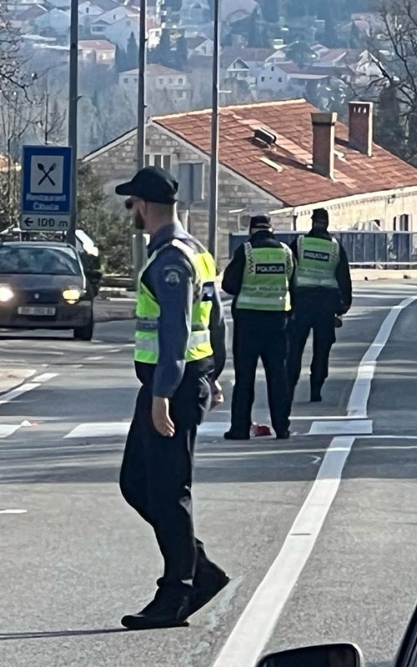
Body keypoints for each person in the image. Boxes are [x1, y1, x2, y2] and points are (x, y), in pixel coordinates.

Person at [115, 166, 230, 630]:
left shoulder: (169, 259)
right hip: (181, 382)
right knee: (137, 484)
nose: (132, 214)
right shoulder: (195, 251)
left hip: (172, 388)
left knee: (167, 491)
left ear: (142, 207)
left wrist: (164, 393)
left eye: (132, 206)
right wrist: (214, 372)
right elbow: (216, 320)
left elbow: (176, 331)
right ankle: (199, 570)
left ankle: (178, 591)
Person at [221, 215, 295, 440]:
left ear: (251, 230)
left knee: (245, 378)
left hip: (248, 322)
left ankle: (240, 429)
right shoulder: (286, 252)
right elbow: (293, 283)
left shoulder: (247, 252)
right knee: (278, 376)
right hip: (278, 322)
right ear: (271, 230)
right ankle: (282, 427)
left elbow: (229, 285)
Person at [288, 208, 352, 402]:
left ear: (312, 221)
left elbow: (288, 272)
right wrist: (343, 307)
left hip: (301, 302)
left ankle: (289, 386)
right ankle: (316, 388)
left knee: (295, 347)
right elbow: (343, 278)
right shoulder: (334, 247)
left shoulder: (299, 244)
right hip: (326, 304)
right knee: (322, 349)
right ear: (327, 222)